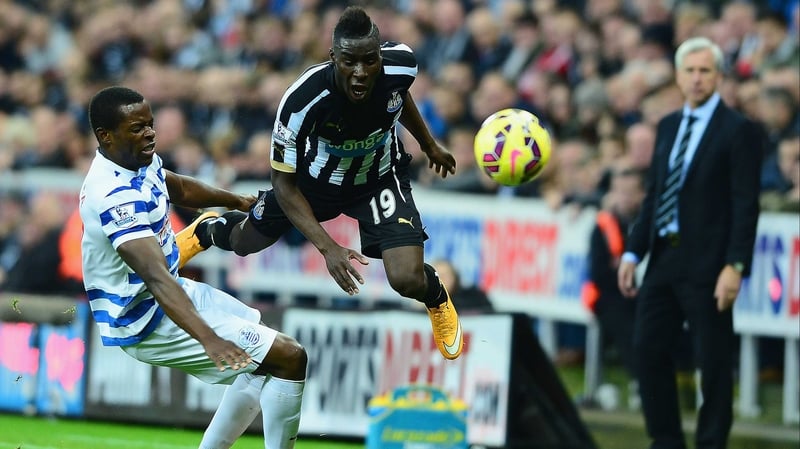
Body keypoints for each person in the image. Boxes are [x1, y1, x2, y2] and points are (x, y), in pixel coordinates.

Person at [177, 6, 464, 360]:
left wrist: (428, 144)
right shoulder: (301, 101)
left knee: (407, 279)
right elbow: (283, 184)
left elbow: (397, 96)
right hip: (313, 185)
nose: (360, 73)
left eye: (370, 62)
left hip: (379, 179)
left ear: (379, 57)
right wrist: (328, 248)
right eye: (349, 62)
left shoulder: (402, 64)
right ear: (333, 58)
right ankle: (207, 229)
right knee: (243, 243)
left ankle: (436, 297)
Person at [80, 86, 307, 449]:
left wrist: (235, 199)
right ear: (106, 136)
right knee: (290, 357)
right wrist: (209, 338)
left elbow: (178, 187)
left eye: (150, 124)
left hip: (166, 296)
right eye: (138, 128)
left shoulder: (137, 160)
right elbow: (154, 277)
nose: (150, 133)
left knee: (265, 350)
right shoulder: (113, 196)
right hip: (145, 319)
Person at [617, 37, 761, 449]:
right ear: (678, 76)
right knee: (646, 348)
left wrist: (735, 265)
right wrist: (633, 250)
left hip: (710, 263)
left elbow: (745, 205)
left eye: (705, 71)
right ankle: (666, 440)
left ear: (718, 76)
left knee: (713, 363)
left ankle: (712, 442)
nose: (697, 79)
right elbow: (656, 195)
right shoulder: (667, 125)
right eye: (690, 71)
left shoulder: (739, 131)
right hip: (664, 257)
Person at [582, 167, 645, 408]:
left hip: (643, 293)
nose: (625, 198)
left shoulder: (647, 222)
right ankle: (640, 381)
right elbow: (598, 273)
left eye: (631, 192)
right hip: (609, 297)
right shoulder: (604, 226)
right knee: (625, 323)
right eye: (620, 192)